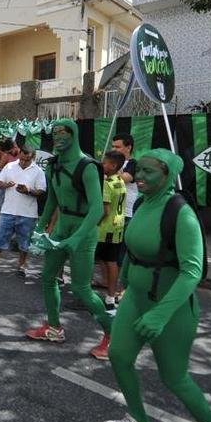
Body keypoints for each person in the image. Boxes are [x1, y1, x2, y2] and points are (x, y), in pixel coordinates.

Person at [101, 148, 211, 422]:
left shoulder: (181, 213)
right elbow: (133, 247)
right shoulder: (144, 203)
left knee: (174, 377)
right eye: (138, 170)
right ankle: (139, 421)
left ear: (168, 175)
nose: (140, 177)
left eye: (149, 172)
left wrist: (160, 314)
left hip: (172, 307)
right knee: (118, 356)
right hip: (136, 298)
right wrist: (125, 282)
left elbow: (192, 272)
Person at [24, 119, 113, 347]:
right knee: (47, 278)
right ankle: (54, 328)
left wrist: (77, 238)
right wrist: (38, 228)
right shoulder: (53, 165)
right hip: (62, 226)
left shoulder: (88, 166)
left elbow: (97, 208)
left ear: (73, 134)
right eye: (55, 133)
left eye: (63, 132)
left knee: (81, 288)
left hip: (83, 230)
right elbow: (52, 200)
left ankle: (112, 335)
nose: (58, 137)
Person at [0, 145, 45, 276]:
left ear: (33, 158)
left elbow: (41, 191)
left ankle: (22, 267)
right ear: (20, 156)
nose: (24, 162)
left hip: (28, 213)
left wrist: (28, 191)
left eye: (27, 160)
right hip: (8, 211)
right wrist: (6, 185)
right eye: (22, 159)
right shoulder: (10, 166)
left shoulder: (38, 171)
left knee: (24, 242)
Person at [88, 150, 128, 360]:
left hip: (104, 229)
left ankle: (86, 295)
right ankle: (110, 297)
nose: (102, 164)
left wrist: (91, 223)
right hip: (118, 226)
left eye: (105, 162)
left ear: (112, 165)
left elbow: (103, 209)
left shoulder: (107, 184)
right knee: (110, 261)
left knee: (91, 259)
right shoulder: (121, 182)